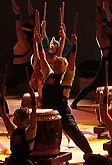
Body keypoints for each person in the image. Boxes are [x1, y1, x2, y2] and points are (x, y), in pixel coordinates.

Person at [36, 26, 93, 154]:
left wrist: (74, 46)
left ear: (65, 66)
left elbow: (72, 61)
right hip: (47, 111)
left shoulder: (66, 77)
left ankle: (89, 154)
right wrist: (39, 43)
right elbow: (42, 59)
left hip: (61, 111)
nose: (56, 65)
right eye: (55, 63)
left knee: (74, 132)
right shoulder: (48, 74)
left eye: (59, 63)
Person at [70, 0, 112, 109]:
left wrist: (107, 8)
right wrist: (98, 8)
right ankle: (75, 102)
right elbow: (98, 23)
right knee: (94, 85)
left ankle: (109, 105)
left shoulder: (111, 37)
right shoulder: (101, 37)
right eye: (106, 27)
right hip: (106, 65)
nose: (108, 29)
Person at [0, 83, 38, 165]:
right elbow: (3, 114)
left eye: (16, 117)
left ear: (23, 119)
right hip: (13, 159)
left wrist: (33, 98)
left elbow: (33, 116)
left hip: (25, 162)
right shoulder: (13, 129)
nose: (13, 119)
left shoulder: (29, 131)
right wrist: (1, 96)